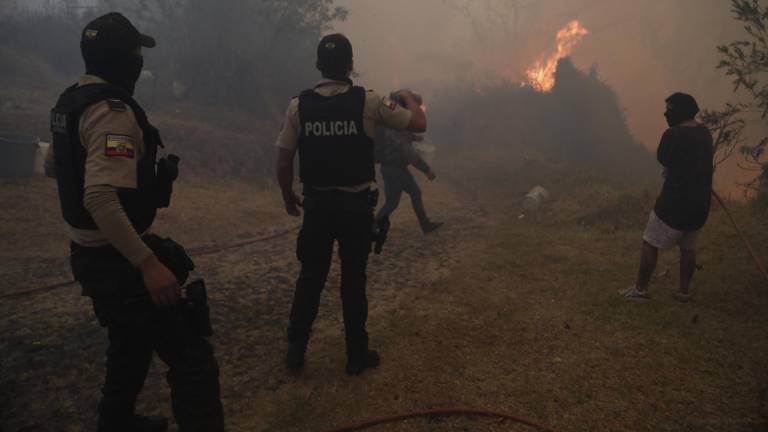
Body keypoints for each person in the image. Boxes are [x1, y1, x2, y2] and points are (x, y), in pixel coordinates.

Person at [45, 13, 224, 431]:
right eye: (136, 52)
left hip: (91, 254)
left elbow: (55, 166)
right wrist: (148, 264)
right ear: (125, 59)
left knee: (129, 343)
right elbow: (100, 197)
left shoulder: (69, 101)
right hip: (119, 261)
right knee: (191, 358)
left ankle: (117, 421)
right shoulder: (112, 112)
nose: (141, 60)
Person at [275, 33, 427, 375]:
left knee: (310, 277)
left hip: (317, 207)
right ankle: (356, 356)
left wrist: (288, 197)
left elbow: (284, 161)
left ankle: (295, 353)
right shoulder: (370, 102)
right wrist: (406, 98)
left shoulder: (298, 105)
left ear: (318, 65)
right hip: (355, 208)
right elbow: (419, 123)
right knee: (353, 281)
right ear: (351, 66)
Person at [622, 92, 714, 302]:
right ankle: (683, 292)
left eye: (670, 109)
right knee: (688, 248)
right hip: (700, 203)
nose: (665, 114)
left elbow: (664, 158)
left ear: (680, 111)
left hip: (675, 202)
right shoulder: (705, 133)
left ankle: (640, 289)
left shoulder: (673, 135)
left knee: (650, 241)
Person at [375, 91, 442, 234]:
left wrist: (412, 137)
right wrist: (426, 169)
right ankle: (371, 228)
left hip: (392, 167)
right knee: (393, 203)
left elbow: (397, 133)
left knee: (396, 201)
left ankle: (425, 225)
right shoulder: (395, 114)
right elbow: (407, 152)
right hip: (394, 168)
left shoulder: (391, 109)